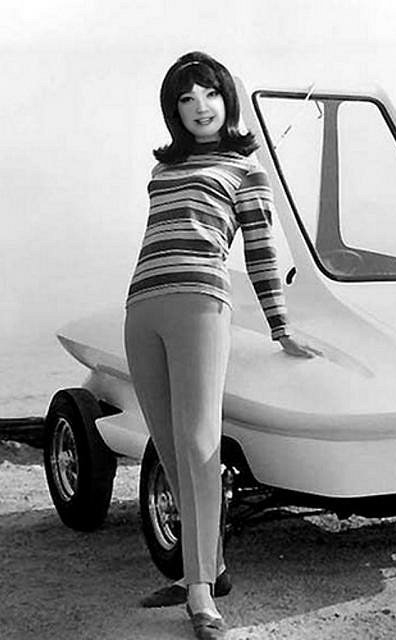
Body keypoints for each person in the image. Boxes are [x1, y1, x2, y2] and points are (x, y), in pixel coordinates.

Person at [124, 51, 319, 640]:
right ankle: (209, 569)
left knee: (200, 444)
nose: (200, 107)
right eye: (186, 99)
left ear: (226, 99)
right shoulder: (162, 170)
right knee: (168, 448)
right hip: (142, 307)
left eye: (209, 94)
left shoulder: (245, 168)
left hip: (202, 305)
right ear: (174, 110)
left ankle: (200, 594)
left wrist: (280, 326)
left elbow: (260, 250)